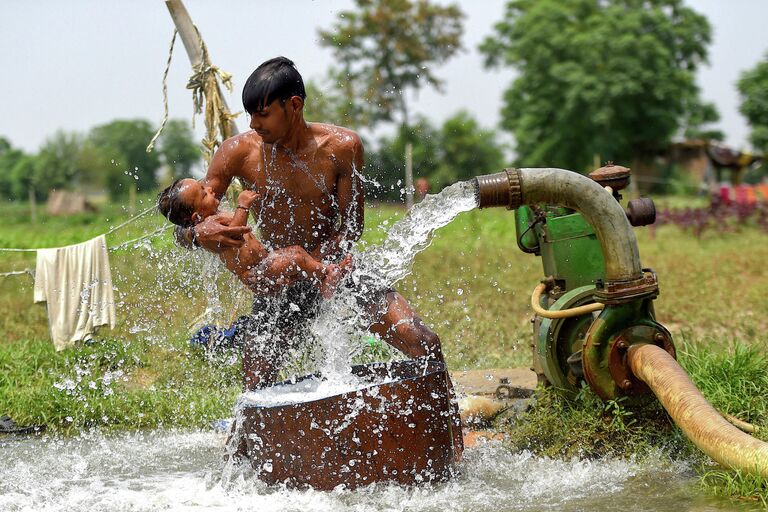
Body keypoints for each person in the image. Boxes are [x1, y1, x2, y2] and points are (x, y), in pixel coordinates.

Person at [175, 56, 462, 457]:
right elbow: (192, 215)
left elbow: (352, 226)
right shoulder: (239, 153)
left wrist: (335, 262)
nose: (255, 125)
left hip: (335, 272)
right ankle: (242, 469)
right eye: (250, 116)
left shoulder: (342, 147)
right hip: (281, 284)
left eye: (263, 115)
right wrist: (193, 233)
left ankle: (452, 451)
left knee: (423, 343)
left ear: (294, 106)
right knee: (256, 381)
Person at [158, 178, 352, 298]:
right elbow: (236, 233)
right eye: (203, 193)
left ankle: (321, 282)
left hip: (263, 263)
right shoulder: (212, 230)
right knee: (298, 259)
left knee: (297, 253)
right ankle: (327, 273)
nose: (209, 189)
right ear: (197, 215)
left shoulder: (212, 218)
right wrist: (243, 206)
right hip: (257, 271)